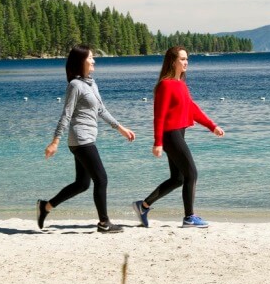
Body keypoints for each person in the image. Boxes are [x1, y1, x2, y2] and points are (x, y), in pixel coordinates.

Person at [38, 44, 135, 234]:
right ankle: (104, 223)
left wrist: (120, 128)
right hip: (81, 139)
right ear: (81, 61)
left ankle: (46, 207)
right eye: (90, 57)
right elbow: (66, 114)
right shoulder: (74, 85)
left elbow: (101, 110)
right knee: (102, 179)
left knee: (82, 184)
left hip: (87, 138)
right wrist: (55, 141)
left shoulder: (91, 83)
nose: (94, 60)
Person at [133, 46, 225, 228]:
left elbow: (192, 109)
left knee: (178, 178)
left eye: (187, 59)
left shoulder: (181, 84)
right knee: (192, 173)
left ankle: (143, 206)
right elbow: (158, 115)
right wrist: (157, 142)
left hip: (179, 133)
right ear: (172, 61)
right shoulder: (165, 85)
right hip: (170, 135)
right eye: (182, 59)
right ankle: (189, 217)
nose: (186, 62)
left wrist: (211, 126)